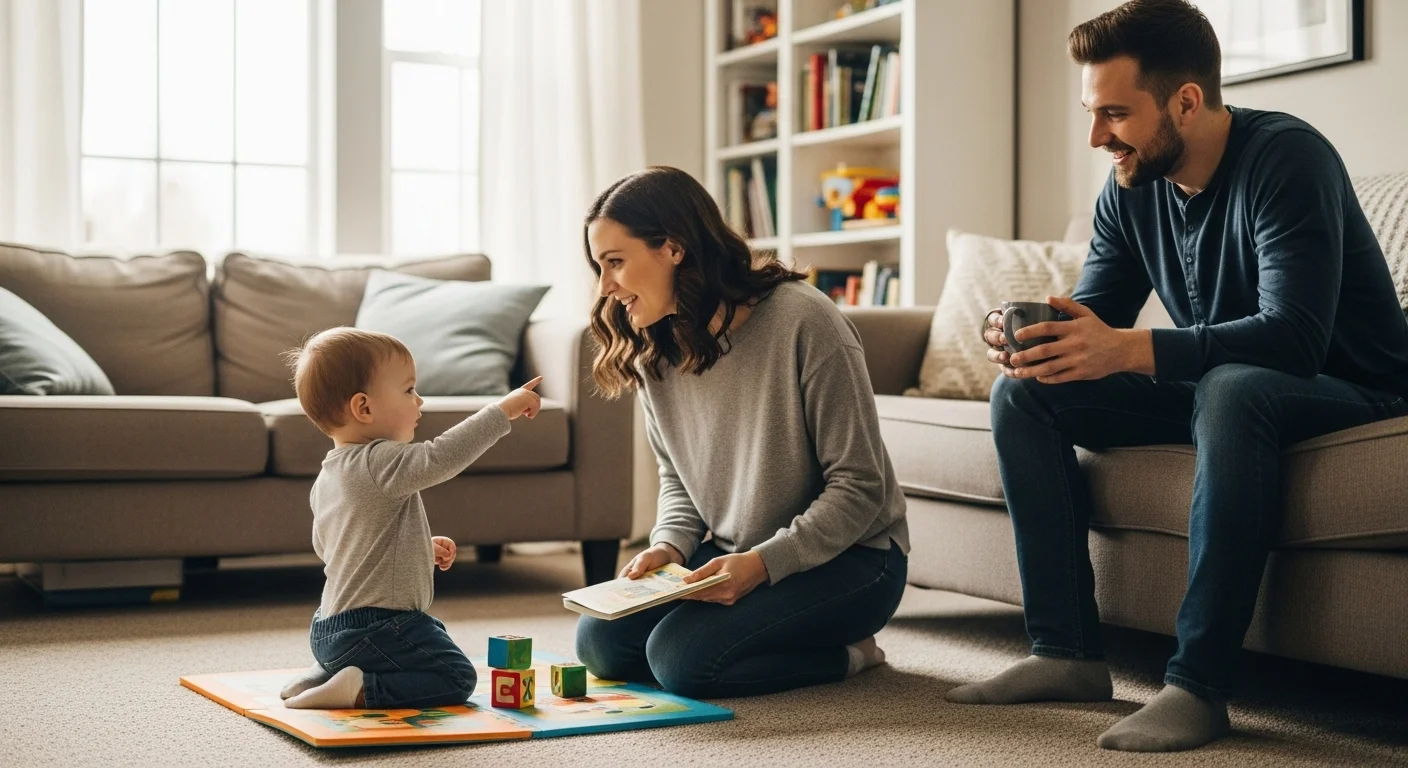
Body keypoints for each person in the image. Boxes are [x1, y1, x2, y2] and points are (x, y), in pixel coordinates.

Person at [946, 0, 1408, 753]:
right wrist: (1032, 338)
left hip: (1356, 392)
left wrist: (1126, 349)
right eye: (1093, 115)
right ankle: (1064, 653)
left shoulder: (1288, 158)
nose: (1098, 138)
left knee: (1236, 385)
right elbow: (1092, 317)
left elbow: (1292, 341)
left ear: (1186, 102)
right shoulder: (1130, 188)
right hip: (1226, 390)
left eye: (1116, 115)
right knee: (1025, 393)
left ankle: (1198, 686)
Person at [573, 166, 910, 698]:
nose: (606, 287)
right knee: (601, 644)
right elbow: (678, 476)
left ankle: (851, 655)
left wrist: (762, 565)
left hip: (853, 562)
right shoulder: (655, 345)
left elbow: (860, 488)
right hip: (738, 554)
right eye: (599, 267)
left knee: (681, 662)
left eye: (615, 263)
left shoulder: (806, 322)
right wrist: (671, 547)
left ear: (674, 248)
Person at [276, 326, 543, 709]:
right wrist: (503, 411)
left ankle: (325, 672)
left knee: (429, 630)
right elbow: (441, 456)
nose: (420, 401)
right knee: (456, 675)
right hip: (376, 627)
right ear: (363, 408)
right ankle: (359, 688)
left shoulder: (328, 475)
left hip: (327, 629)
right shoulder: (378, 460)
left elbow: (340, 548)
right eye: (409, 390)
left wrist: (417, 548)